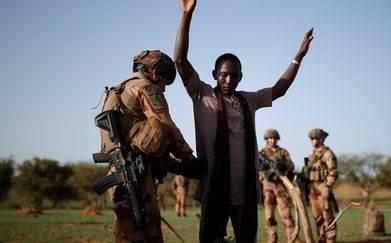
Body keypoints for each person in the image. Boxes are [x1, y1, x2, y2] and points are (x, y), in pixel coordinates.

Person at [174, 0, 314, 241]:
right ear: (215, 76)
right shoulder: (202, 94)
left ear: (241, 77)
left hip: (245, 192)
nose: (228, 79)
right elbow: (180, 61)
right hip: (215, 190)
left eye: (233, 75)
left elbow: (279, 90)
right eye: (223, 75)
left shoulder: (248, 101)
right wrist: (186, 16)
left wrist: (298, 57)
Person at [100, 50, 195, 243]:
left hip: (118, 174)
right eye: (164, 82)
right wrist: (189, 159)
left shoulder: (118, 91)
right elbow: (166, 125)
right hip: (136, 176)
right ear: (155, 73)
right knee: (148, 235)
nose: (164, 89)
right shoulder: (145, 88)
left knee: (126, 235)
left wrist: (173, 165)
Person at [259, 129, 295, 243]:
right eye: (270, 138)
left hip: (280, 184)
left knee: (286, 213)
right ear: (266, 139)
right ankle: (272, 238)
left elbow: (291, 166)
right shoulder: (262, 153)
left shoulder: (283, 152)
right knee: (269, 215)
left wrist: (283, 165)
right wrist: (264, 171)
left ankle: (292, 238)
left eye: (274, 138)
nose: (272, 140)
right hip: (267, 186)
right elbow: (257, 169)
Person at [303, 128, 338, 243]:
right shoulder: (312, 154)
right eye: (311, 139)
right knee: (318, 218)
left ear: (321, 139)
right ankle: (321, 240)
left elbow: (333, 172)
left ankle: (331, 240)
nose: (312, 141)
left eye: (314, 138)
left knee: (328, 217)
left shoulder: (328, 153)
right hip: (312, 189)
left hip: (323, 187)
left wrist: (328, 186)